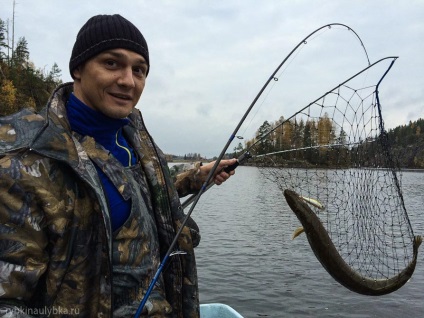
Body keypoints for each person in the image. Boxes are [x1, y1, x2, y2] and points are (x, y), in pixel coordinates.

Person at [0, 14, 236, 317]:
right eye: (112, 63)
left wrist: (194, 178)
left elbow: (135, 194)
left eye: (139, 70)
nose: (128, 80)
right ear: (78, 69)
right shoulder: (24, 161)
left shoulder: (133, 135)